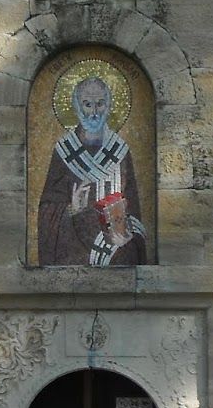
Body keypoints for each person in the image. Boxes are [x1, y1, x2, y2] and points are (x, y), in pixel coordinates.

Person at [37, 74, 147, 266]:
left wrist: (127, 233)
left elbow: (134, 210)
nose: (94, 112)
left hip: (115, 240)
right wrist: (72, 209)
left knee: (126, 255)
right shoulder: (65, 150)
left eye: (100, 104)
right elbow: (47, 212)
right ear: (77, 107)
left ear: (109, 106)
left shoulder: (119, 150)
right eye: (87, 104)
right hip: (73, 241)